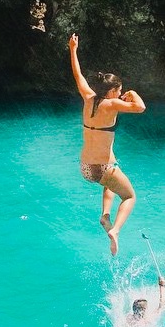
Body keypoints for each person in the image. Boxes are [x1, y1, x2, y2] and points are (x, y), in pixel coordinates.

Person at [69, 33, 146, 256]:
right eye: (120, 90)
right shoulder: (111, 104)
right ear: (112, 91)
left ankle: (105, 215)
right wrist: (133, 94)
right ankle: (116, 231)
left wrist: (73, 49)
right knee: (130, 196)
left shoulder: (88, 97)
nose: (121, 94)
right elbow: (140, 108)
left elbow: (78, 75)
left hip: (85, 168)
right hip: (103, 167)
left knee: (109, 180)